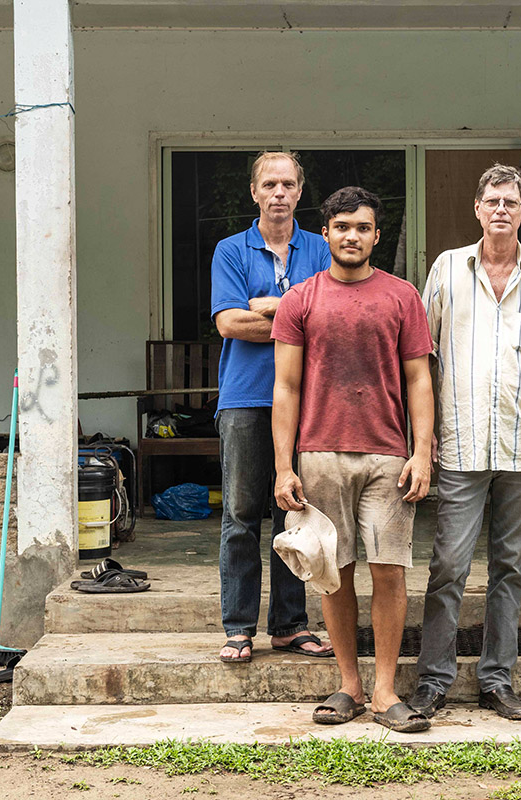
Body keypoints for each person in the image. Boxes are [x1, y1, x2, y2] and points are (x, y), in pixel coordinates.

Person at [272, 186, 436, 733]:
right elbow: (287, 387)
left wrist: (422, 451)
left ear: (376, 236)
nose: (352, 236)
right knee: (333, 574)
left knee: (389, 572)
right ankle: (349, 685)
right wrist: (284, 465)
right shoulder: (302, 298)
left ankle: (386, 690)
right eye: (342, 227)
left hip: (389, 456)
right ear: (326, 234)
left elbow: (419, 378)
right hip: (319, 455)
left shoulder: (402, 296)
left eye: (362, 228)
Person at [411, 164, 521, 722]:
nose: (501, 209)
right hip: (458, 444)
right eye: (492, 200)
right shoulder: (447, 269)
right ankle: (433, 678)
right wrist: (423, 439)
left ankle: (497, 679)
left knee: (510, 566)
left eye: (512, 201)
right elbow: (422, 360)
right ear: (477, 208)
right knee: (448, 565)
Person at [211, 151, 333, 664]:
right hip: (244, 398)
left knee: (295, 511)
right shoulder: (231, 250)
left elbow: (332, 316)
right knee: (240, 515)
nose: (279, 193)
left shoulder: (321, 249)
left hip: (308, 400)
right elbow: (229, 324)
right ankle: (239, 627)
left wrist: (267, 305)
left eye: (288, 184)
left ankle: (289, 625)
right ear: (255, 193)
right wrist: (297, 317)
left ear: (300, 192)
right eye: (269, 184)